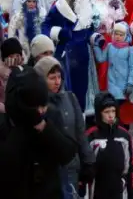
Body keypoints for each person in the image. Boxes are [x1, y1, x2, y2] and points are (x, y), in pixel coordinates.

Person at [0, 66, 79, 199]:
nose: (42, 110)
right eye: (37, 107)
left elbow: (68, 152)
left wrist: (45, 128)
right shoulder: (8, 123)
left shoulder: (51, 115)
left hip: (50, 190)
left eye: (44, 105)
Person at [34, 56, 95, 198]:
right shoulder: (37, 105)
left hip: (71, 167)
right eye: (52, 78)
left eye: (59, 77)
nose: (57, 82)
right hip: (48, 171)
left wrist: (89, 161)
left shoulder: (70, 98)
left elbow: (80, 132)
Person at [42, 0, 99, 111]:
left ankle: (81, 115)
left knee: (82, 88)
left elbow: (87, 29)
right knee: (64, 87)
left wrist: (94, 37)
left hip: (82, 53)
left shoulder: (86, 5)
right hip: (65, 52)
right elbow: (45, 26)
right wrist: (59, 33)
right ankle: (65, 116)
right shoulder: (59, 6)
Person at [84, 92, 133, 199]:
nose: (111, 115)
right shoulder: (91, 136)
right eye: (106, 112)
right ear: (99, 113)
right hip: (97, 188)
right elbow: (84, 164)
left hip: (118, 187)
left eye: (113, 111)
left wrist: (131, 191)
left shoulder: (124, 136)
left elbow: (130, 165)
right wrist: (82, 184)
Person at [92, 22, 133, 106]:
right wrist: (96, 46)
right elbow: (101, 59)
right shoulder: (109, 46)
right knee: (113, 104)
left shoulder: (129, 49)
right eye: (116, 34)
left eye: (121, 35)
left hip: (124, 83)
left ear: (125, 36)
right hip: (111, 82)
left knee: (122, 105)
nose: (118, 37)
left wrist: (130, 83)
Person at [0, 37, 24, 112]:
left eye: (17, 55)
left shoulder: (23, 70)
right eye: (11, 56)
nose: (15, 58)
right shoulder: (1, 73)